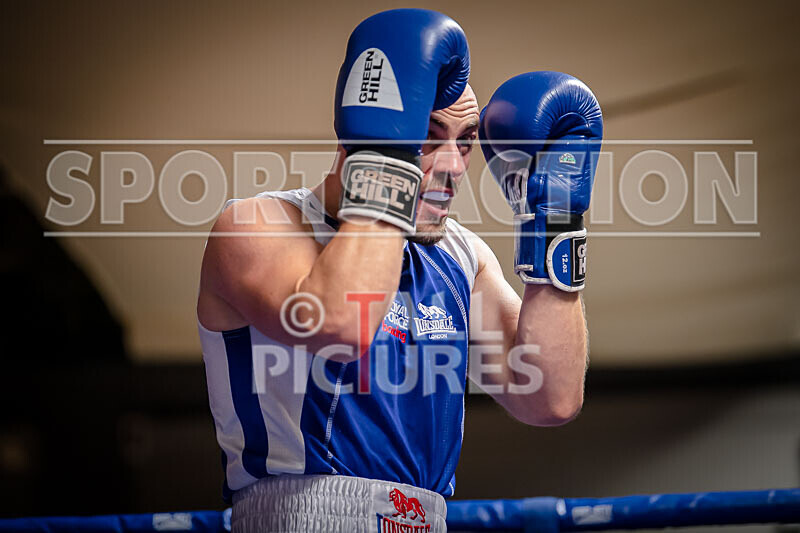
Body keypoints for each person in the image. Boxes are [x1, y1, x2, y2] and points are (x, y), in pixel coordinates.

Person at [197, 8, 602, 532]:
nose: (454, 165)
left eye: (467, 141)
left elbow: (551, 397)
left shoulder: (462, 256)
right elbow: (340, 323)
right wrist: (386, 155)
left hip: (427, 518)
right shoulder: (258, 225)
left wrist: (555, 216)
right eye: (428, 136)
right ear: (362, 131)